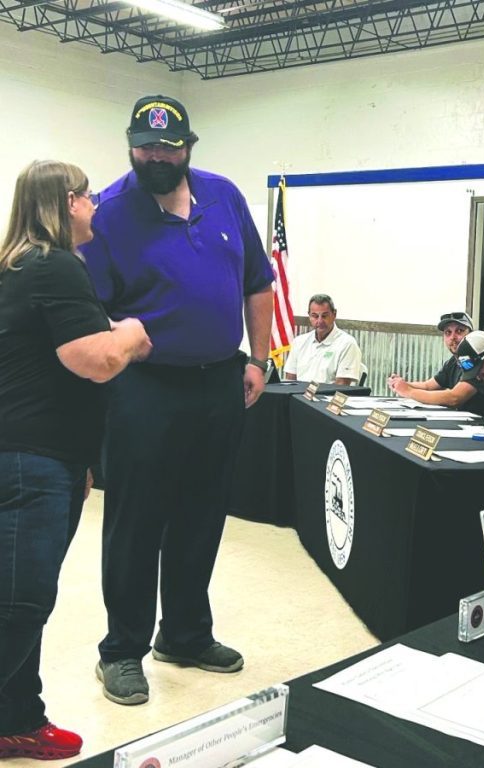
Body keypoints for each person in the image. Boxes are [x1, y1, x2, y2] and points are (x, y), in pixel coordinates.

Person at [80, 95, 274, 706]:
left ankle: (186, 634)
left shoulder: (223, 195)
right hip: (145, 386)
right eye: (145, 145)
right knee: (137, 520)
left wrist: (259, 358)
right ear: (130, 144)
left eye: (168, 145)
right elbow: (92, 313)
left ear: (190, 144)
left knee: (202, 513)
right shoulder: (109, 212)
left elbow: (257, 282)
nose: (157, 155)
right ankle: (121, 650)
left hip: (220, 379)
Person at [0, 160, 151, 759]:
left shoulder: (19, 267)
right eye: (89, 197)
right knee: (20, 604)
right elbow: (94, 360)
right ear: (68, 202)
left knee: (21, 602)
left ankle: (16, 719)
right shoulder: (54, 264)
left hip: (45, 455)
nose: (96, 206)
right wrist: (133, 333)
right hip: (29, 460)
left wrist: (79, 460)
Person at [387, 311, 484, 418]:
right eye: (448, 333)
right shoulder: (453, 361)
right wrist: (401, 384)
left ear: (471, 335)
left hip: (480, 427)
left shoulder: (479, 359)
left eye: (459, 331)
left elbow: (454, 398)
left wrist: (408, 391)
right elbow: (428, 386)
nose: (453, 337)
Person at [284, 294, 362, 384]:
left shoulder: (347, 344)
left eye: (324, 316)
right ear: (309, 316)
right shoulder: (299, 342)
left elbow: (342, 388)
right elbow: (289, 382)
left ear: (334, 315)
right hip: (298, 396)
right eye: (315, 316)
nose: (320, 321)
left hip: (328, 397)